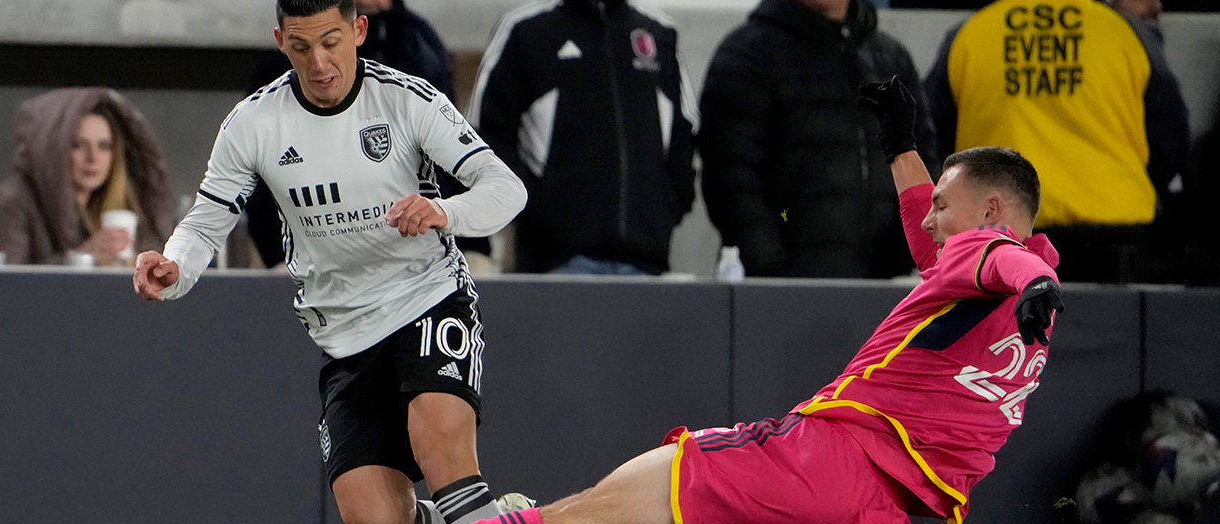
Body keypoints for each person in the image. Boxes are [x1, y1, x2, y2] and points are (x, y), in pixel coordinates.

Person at [284, 77, 1065, 524]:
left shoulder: (1001, 263)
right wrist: (903, 148)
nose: (931, 217)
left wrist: (1033, 280)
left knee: (570, 520)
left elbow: (993, 261)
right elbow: (956, 252)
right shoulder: (1005, 294)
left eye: (946, 204)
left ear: (993, 215)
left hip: (823, 463)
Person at [132, 0, 566, 524]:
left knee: (443, 447)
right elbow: (207, 222)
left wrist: (444, 211)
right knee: (378, 523)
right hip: (345, 337)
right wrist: (176, 269)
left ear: (358, 30)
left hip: (429, 299)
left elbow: (505, 189)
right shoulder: (255, 122)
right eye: (300, 47)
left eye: (331, 41)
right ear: (280, 41)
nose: (319, 62)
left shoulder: (408, 99)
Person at [924, 0, 1189, 283]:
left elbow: (933, 137)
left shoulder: (972, 35)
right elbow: (1170, 136)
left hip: (1000, 232)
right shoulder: (1123, 32)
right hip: (1114, 232)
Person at [242, 0, 496, 273]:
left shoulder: (420, 41)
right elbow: (258, 163)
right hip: (325, 257)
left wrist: (474, 244)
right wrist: (280, 255)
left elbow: (451, 145)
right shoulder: (293, 55)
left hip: (423, 256)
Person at [696, 0, 937, 279]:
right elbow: (731, 179)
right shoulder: (748, 54)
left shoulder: (890, 58)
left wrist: (903, 257)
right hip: (781, 290)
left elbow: (922, 158)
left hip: (882, 288)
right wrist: (769, 271)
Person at [467, 0, 697, 275]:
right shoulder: (526, 30)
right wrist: (534, 208)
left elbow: (685, 134)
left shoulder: (659, 33)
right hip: (556, 265)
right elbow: (482, 135)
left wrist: (664, 212)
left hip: (646, 265)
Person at [0, 87, 175, 266]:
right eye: (78, 145)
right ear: (53, 150)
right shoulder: (12, 204)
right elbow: (3, 290)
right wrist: (81, 260)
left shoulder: (122, 208)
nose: (93, 158)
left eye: (104, 146)